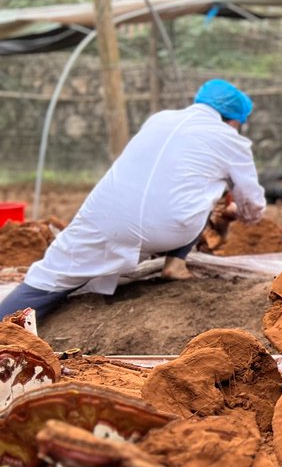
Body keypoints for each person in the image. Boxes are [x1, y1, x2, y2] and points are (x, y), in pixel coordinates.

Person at [0, 79, 266, 321]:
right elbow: (252, 206)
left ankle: (8, 324)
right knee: (204, 188)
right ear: (234, 120)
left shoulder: (159, 119)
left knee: (46, 280)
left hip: (101, 218)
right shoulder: (232, 141)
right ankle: (177, 263)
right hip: (169, 230)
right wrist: (233, 211)